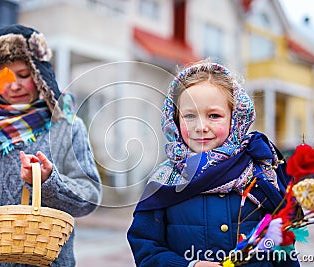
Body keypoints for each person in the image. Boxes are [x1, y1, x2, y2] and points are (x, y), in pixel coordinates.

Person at [0, 24, 101, 267]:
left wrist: (49, 181)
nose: (14, 85)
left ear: (40, 76)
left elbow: (89, 197)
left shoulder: (67, 127)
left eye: (24, 75)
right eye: (2, 77)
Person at [127, 60, 299, 266]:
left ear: (234, 118)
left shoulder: (260, 173)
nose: (201, 126)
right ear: (174, 119)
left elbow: (283, 248)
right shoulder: (164, 181)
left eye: (214, 115)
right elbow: (145, 250)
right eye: (189, 115)